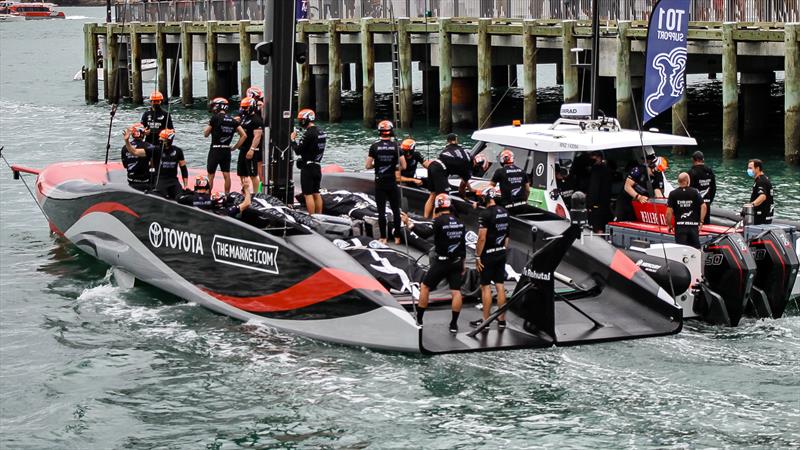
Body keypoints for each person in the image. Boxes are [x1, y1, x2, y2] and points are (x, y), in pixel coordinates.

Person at [416, 194, 466, 334]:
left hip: (441, 262)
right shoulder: (459, 222)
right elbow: (463, 245)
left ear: (437, 205)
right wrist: (462, 263)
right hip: (457, 261)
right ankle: (454, 325)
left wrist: (410, 224)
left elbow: (425, 233)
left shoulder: (438, 221)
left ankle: (419, 320)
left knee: (425, 287)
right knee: (456, 292)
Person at [470, 186, 509, 332]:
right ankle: (502, 320)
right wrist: (502, 250)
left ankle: (485, 321)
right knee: (500, 285)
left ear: (486, 198)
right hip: (501, 252)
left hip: (488, 254)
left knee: (485, 286)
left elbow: (481, 238)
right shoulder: (504, 212)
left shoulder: (485, 214)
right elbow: (507, 237)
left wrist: (477, 256)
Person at [366, 120, 407, 244]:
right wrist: (392, 167)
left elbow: (367, 166)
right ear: (391, 131)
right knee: (395, 210)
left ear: (380, 132)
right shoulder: (396, 146)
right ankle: (397, 237)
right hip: (392, 182)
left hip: (380, 182)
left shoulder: (374, 146)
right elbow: (403, 166)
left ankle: (383, 237)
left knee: (381, 211)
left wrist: (378, 166)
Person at [204, 97, 247, 194]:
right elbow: (244, 135)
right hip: (226, 150)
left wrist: (209, 124)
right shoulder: (233, 120)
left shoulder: (215, 118)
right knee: (226, 174)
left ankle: (208, 194)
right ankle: (227, 195)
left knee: (211, 174)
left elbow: (206, 134)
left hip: (215, 149)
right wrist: (235, 147)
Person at [423, 133, 472, 218]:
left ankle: (425, 218)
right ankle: (435, 222)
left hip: (433, 165)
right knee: (441, 198)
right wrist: (465, 197)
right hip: (440, 169)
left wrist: (470, 188)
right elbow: (461, 189)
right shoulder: (468, 166)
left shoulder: (455, 150)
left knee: (433, 195)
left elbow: (463, 179)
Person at [291, 108, 326, 214]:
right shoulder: (321, 132)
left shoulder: (308, 134)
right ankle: (319, 216)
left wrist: (292, 140)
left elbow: (298, 150)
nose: (300, 122)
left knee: (308, 194)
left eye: (301, 119)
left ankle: (311, 217)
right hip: (317, 165)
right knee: (316, 193)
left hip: (308, 167)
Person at [616, 153, 665, 222]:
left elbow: (658, 192)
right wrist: (638, 197)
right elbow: (627, 186)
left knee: (635, 221)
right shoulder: (638, 170)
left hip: (639, 203)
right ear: (651, 166)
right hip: (626, 199)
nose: (659, 171)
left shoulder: (658, 175)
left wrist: (664, 204)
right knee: (620, 220)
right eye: (659, 169)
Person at [666, 172, 706, 249]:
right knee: (695, 250)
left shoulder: (673, 194)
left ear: (678, 181)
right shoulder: (695, 192)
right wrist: (701, 221)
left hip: (680, 226)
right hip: (693, 226)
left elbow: (668, 212)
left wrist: (669, 225)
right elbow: (704, 206)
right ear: (687, 181)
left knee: (681, 250)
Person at [490, 149, 530, 214]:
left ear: (502, 159)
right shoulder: (522, 171)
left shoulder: (499, 171)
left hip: (507, 206)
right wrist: (525, 201)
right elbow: (527, 190)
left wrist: (490, 201)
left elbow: (490, 186)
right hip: (522, 205)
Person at [236, 97, 263, 194]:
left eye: (246, 107)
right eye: (242, 107)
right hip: (243, 148)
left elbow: (257, 136)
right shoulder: (244, 118)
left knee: (253, 173)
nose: (243, 109)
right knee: (241, 172)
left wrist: (252, 149)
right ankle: (245, 191)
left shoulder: (256, 120)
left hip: (251, 149)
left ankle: (255, 195)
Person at [120, 122, 154, 191]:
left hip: (131, 180)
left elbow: (125, 165)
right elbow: (153, 164)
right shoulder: (149, 146)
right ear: (142, 133)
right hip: (145, 181)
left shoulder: (124, 147)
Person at [688, 151, 716, 224]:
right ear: (703, 159)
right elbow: (713, 188)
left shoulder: (691, 172)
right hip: (706, 203)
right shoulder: (710, 171)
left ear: (693, 160)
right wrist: (709, 200)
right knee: (706, 224)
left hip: (695, 205)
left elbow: (689, 190)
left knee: (694, 225)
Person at [586, 151, 612, 233]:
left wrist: (590, 204)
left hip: (597, 204)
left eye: (594, 157)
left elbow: (594, 188)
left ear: (599, 158)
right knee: (602, 225)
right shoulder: (607, 170)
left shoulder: (596, 171)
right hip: (605, 202)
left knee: (597, 226)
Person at [745, 159, 774, 225]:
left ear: (757, 168)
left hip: (761, 216)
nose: (748, 170)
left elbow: (762, 196)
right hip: (766, 215)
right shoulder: (764, 179)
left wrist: (751, 205)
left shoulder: (761, 181)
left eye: (750, 168)